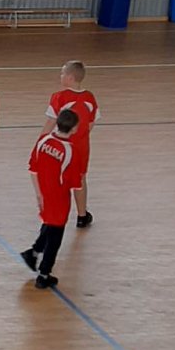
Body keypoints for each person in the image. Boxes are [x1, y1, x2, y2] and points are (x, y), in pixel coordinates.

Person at [22, 108, 83, 288]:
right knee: (55, 236)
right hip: (59, 198)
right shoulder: (71, 150)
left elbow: (32, 168)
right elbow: (75, 182)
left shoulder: (43, 140)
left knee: (49, 224)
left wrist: (38, 193)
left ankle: (33, 253)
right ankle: (44, 274)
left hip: (43, 193)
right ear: (74, 128)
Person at [40, 60, 98, 227]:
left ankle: (54, 214)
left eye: (62, 73)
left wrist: (41, 141)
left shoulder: (59, 97)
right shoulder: (89, 97)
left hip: (60, 147)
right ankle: (82, 215)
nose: (60, 76)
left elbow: (51, 121)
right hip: (81, 147)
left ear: (70, 77)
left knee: (57, 179)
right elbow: (91, 123)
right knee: (80, 179)